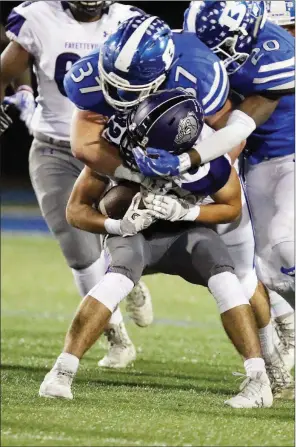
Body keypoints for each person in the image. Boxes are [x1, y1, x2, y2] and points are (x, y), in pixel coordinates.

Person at [39, 90, 274, 408]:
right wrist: (117, 226)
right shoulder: (119, 139)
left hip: (186, 233)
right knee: (116, 279)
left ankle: (259, 381)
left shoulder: (210, 158)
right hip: (135, 233)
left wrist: (186, 212)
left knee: (225, 274)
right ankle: (62, 371)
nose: (140, 144)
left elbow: (231, 208)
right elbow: (76, 210)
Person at [0, 0, 153, 369]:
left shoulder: (129, 21)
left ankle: (126, 278)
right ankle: (115, 335)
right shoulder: (39, 18)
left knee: (128, 232)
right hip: (55, 148)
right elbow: (4, 71)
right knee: (79, 249)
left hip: (111, 151)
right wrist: (15, 96)